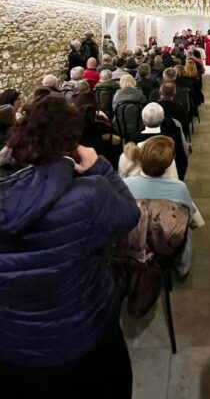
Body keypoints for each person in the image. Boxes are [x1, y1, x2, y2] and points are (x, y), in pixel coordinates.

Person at [0, 95, 140, 399]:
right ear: (71, 140)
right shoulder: (89, 194)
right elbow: (129, 215)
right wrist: (100, 167)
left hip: (15, 349)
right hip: (82, 340)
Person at [123, 135, 194, 277]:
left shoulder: (126, 185)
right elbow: (190, 216)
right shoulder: (179, 188)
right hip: (166, 244)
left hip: (134, 243)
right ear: (168, 164)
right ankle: (182, 267)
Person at [123, 102, 188, 180]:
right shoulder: (172, 139)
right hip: (169, 180)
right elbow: (182, 162)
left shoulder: (132, 140)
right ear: (162, 119)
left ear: (143, 120)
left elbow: (125, 166)